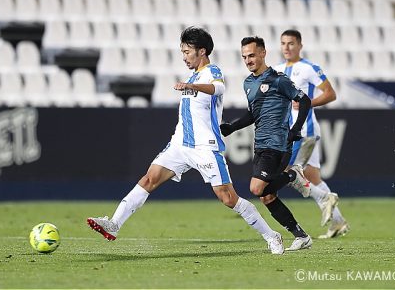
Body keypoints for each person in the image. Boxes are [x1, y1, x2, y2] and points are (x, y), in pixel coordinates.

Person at [86, 27, 284, 254]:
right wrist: (190, 85)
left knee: (228, 198)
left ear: (202, 51)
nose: (184, 57)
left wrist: (192, 86)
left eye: (187, 51)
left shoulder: (212, 71)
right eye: (182, 51)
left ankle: (271, 235)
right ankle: (114, 224)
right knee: (150, 178)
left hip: (205, 146)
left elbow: (219, 88)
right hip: (180, 144)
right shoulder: (193, 76)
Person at [220, 36, 338, 251]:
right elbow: (252, 114)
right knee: (267, 196)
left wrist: (295, 129)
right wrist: (232, 127)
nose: (248, 60)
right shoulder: (248, 83)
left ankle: (292, 175)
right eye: (244, 57)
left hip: (278, 144)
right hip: (261, 144)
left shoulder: (278, 80)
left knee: (256, 188)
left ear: (263, 53)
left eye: (252, 55)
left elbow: (304, 100)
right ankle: (301, 236)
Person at [274, 29, 349, 239]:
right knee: (313, 177)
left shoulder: (308, 68)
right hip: (291, 131)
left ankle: (326, 199)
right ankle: (338, 222)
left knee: (288, 173)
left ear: (300, 45)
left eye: (291, 43)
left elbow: (330, 94)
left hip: (304, 130)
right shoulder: (277, 69)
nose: (287, 47)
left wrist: (307, 103)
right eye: (283, 43)